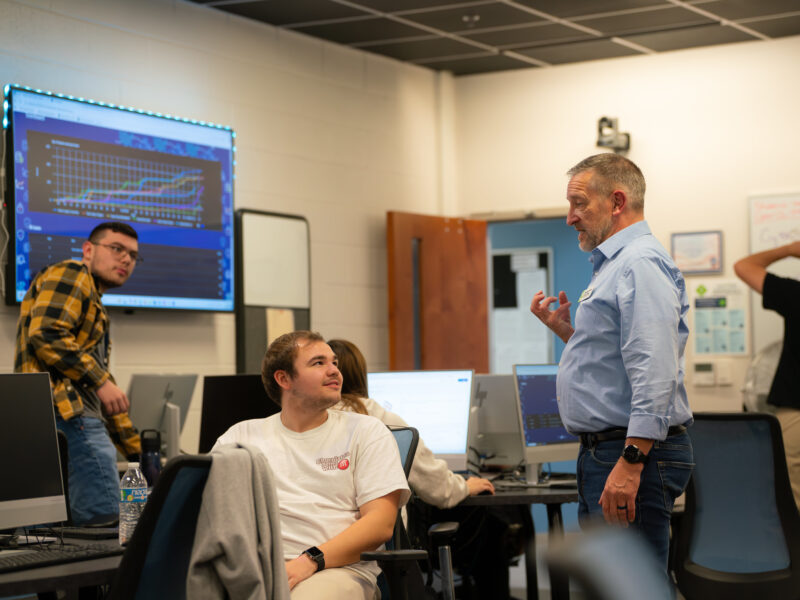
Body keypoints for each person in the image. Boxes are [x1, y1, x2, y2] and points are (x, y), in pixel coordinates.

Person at [529, 153, 694, 570]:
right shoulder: (616, 265)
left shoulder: (638, 264)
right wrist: (569, 333)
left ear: (617, 201)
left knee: (634, 587)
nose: (570, 218)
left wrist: (632, 460)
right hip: (609, 451)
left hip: (630, 451)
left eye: (579, 203)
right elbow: (623, 358)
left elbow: (655, 370)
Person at [328, 338, 532, 600]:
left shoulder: (311, 420)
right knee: (492, 523)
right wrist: (463, 485)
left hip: (322, 542)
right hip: (373, 551)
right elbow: (436, 485)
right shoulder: (379, 418)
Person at [214, 331, 410, 599]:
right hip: (254, 569)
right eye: (319, 363)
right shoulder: (240, 437)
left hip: (336, 570)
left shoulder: (366, 431)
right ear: (283, 378)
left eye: (334, 363)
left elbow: (380, 524)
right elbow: (209, 512)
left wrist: (309, 561)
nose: (334, 372)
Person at [14, 222, 141, 526]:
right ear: (88, 250)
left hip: (67, 420)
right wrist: (99, 382)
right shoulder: (72, 273)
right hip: (71, 419)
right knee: (106, 528)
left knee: (50, 538)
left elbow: (107, 397)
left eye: (133, 256)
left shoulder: (95, 306)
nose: (126, 259)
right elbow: (45, 332)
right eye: (117, 249)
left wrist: (141, 454)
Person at [734, 241, 800, 509]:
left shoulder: (795, 294)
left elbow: (744, 266)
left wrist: (789, 250)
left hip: (794, 413)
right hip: (794, 412)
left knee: (792, 500)